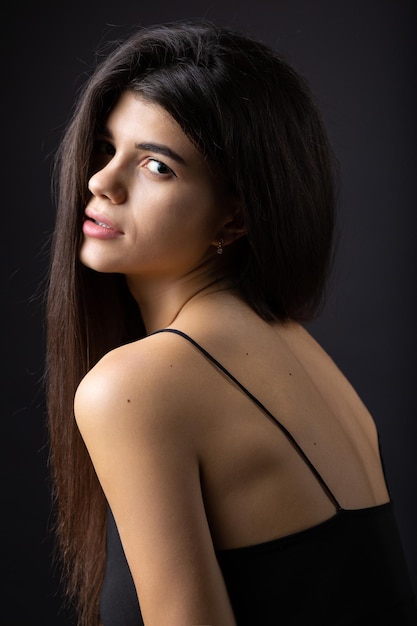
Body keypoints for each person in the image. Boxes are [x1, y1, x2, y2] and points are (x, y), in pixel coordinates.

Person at [45, 19, 417, 626]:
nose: (100, 182)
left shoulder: (136, 387)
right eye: (107, 149)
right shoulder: (292, 345)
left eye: (156, 166)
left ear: (233, 221)